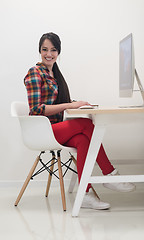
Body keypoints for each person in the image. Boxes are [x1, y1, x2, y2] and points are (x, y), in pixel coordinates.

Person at [24, 32, 135, 210]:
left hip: (55, 129)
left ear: (58, 52)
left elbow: (57, 102)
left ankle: (85, 194)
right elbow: (36, 109)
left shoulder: (54, 74)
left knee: (83, 140)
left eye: (53, 50)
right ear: (39, 51)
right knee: (86, 124)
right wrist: (70, 105)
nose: (49, 54)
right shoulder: (35, 73)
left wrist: (78, 104)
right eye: (45, 50)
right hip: (42, 131)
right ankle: (109, 174)